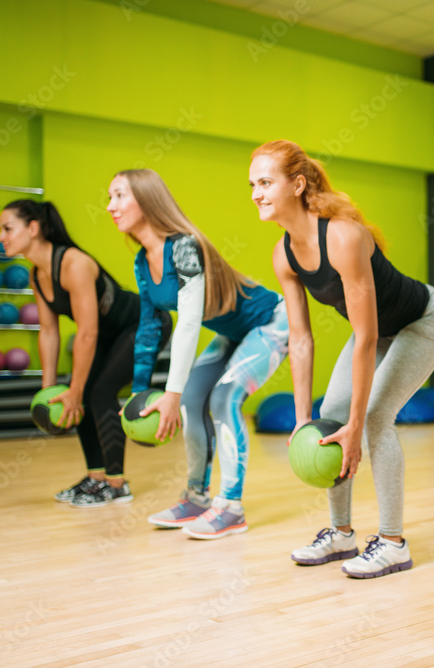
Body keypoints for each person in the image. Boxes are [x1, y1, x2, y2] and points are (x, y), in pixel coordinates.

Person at [250, 140, 434, 579]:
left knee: (375, 418)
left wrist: (358, 424)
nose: (256, 193)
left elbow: (364, 337)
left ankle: (394, 543)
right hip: (379, 331)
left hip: (424, 320)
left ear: (297, 185)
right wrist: (303, 418)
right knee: (330, 415)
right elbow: (301, 340)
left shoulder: (342, 236)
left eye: (266, 182)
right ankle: (340, 533)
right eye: (253, 184)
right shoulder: (284, 254)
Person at [108, 169, 289, 540]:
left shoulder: (184, 246)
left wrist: (169, 394)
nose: (111, 206)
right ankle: (196, 498)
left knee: (224, 399)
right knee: (193, 399)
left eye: (119, 196)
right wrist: (140, 393)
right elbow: (148, 329)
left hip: (273, 322)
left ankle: (232, 508)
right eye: (108, 198)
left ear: (146, 198)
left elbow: (189, 323)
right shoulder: (144, 261)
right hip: (233, 332)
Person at [0, 200, 171, 507]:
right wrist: (51, 389)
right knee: (76, 394)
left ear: (33, 229)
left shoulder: (73, 264)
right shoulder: (37, 274)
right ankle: (96, 477)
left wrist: (76, 391)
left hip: (144, 323)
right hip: (109, 333)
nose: (1, 236)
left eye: (7, 228)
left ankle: (117, 484)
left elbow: (87, 332)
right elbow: (49, 332)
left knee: (98, 392)